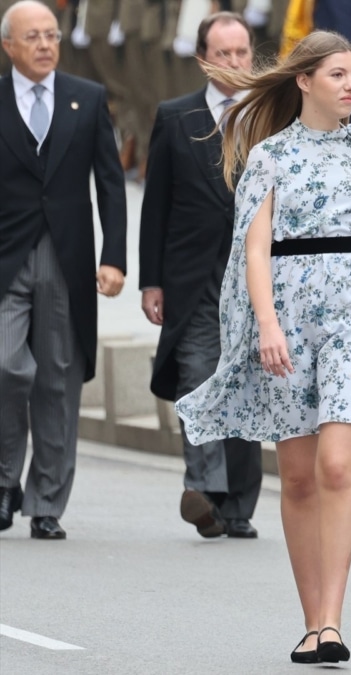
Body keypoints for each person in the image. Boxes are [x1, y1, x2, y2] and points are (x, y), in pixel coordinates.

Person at [175, 30, 351, 664]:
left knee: (335, 465)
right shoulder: (269, 155)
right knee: (298, 476)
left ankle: (333, 620)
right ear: (304, 81)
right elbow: (253, 247)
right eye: (337, 75)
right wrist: (267, 325)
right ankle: (311, 620)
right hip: (289, 317)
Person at [0, 0, 127, 540]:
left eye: (52, 35)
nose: (46, 44)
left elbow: (111, 183)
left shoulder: (87, 97)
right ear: (8, 46)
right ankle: (6, 477)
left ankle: (46, 502)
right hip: (5, 255)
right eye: (33, 37)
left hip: (67, 257)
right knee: (7, 366)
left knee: (58, 380)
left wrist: (115, 256)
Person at [139, 11, 264, 540]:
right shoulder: (176, 116)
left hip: (256, 275)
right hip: (192, 274)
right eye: (223, 54)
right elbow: (156, 205)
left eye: (242, 53)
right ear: (203, 58)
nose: (234, 63)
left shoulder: (272, 115)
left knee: (246, 384)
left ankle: (237, 505)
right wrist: (151, 280)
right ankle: (204, 489)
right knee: (198, 376)